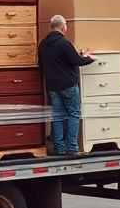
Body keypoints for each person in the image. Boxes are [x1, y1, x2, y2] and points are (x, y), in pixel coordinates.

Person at [38, 15, 95, 156]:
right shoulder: (64, 43)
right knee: (74, 114)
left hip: (52, 86)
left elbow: (42, 66)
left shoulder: (43, 44)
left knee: (57, 116)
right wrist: (89, 58)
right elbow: (77, 61)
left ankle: (59, 148)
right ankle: (72, 147)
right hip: (68, 85)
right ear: (64, 27)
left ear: (52, 27)